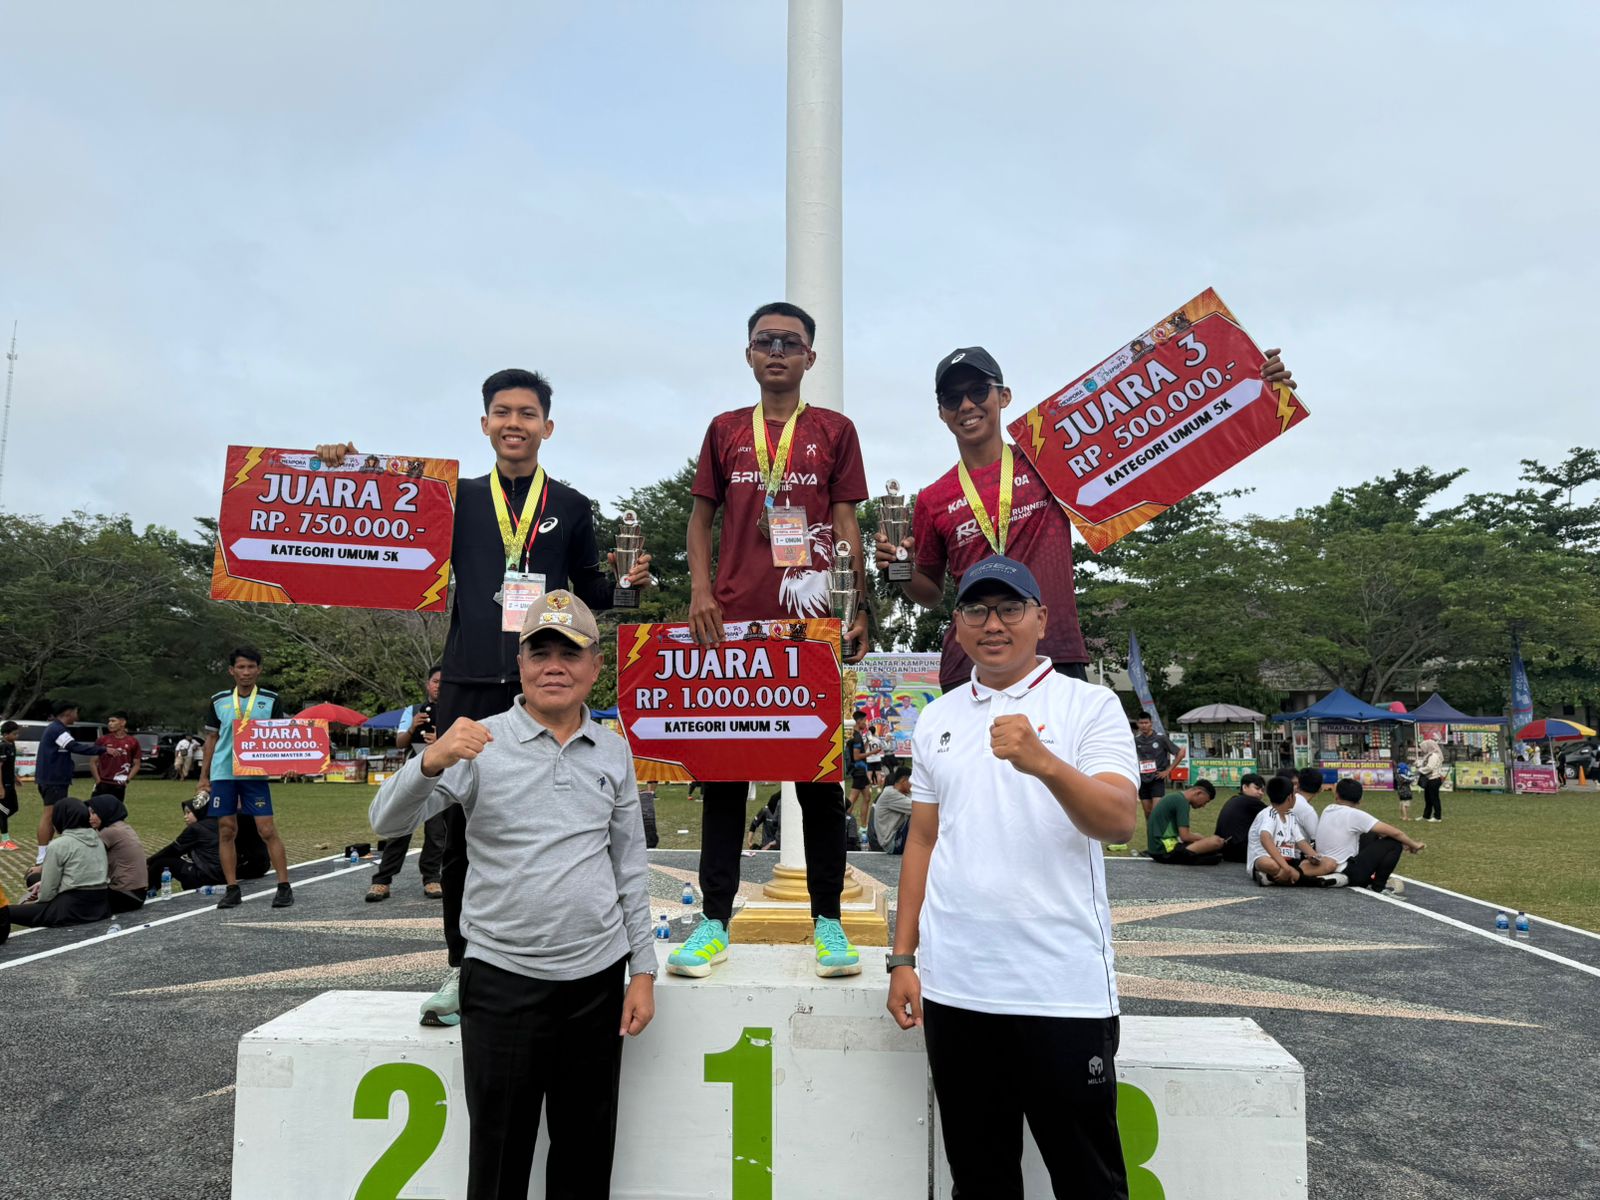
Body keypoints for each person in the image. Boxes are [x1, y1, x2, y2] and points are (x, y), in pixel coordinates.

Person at [318, 366, 654, 1028]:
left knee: (559, 822)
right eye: (502, 412)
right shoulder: (456, 498)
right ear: (484, 424)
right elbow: (382, 517)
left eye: (528, 414)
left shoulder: (573, 505)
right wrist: (345, 468)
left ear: (547, 427)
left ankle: (580, 955)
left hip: (541, 679)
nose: (514, 424)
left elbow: (595, 591)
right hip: (469, 680)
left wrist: (629, 585)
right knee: (459, 831)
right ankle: (460, 968)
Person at [369, 591, 655, 1200]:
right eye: (540, 651)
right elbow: (385, 823)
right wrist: (429, 761)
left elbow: (628, 863)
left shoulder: (613, 749)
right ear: (520, 663)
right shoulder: (478, 741)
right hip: (502, 978)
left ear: (596, 666)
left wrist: (643, 970)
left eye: (570, 653)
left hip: (595, 980)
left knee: (584, 1156)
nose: (556, 666)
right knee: (499, 1159)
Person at [887, 554, 1139, 1200]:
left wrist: (1043, 762)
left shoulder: (1090, 705)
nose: (992, 624)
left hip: (1060, 989)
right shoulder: (939, 716)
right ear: (956, 624)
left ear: (1041, 618)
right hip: (958, 990)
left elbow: (1117, 821)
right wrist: (903, 957)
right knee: (980, 1180)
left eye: (1009, 608)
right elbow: (922, 838)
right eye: (975, 608)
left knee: (1089, 1181)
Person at [677, 301, 868, 981]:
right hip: (732, 625)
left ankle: (829, 924)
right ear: (749, 353)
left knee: (820, 783)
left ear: (810, 357)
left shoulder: (835, 430)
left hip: (810, 625)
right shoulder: (726, 430)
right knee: (724, 777)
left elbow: (845, 520)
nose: (777, 351)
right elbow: (701, 522)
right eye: (765, 342)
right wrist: (702, 591)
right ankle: (712, 922)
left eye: (791, 342)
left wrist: (856, 602)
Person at [874, 346, 1091, 695]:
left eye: (978, 391)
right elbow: (929, 594)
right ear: (942, 412)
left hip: (1052, 651)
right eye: (952, 397)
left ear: (1003, 396)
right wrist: (897, 569)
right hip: (970, 664)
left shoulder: (1045, 460)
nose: (966, 405)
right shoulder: (933, 498)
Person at [197, 646, 293, 910]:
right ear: (232, 671)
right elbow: (211, 739)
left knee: (266, 829)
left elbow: (281, 736)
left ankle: (284, 886)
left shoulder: (271, 699)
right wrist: (203, 777)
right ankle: (232, 888)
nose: (246, 672)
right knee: (226, 830)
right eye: (241, 667)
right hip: (224, 774)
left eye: (251, 667)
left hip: (255, 774)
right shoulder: (218, 700)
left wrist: (287, 765)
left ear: (259, 670)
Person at [367, 664, 448, 902]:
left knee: (436, 832)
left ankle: (432, 877)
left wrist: (440, 741)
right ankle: (382, 880)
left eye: (444, 682)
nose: (439, 687)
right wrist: (413, 725)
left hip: (440, 776)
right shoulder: (412, 710)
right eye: (436, 682)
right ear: (427, 684)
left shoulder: (455, 709)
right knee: (400, 829)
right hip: (414, 773)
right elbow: (401, 743)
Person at [1, 799, 109, 940]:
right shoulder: (98, 839)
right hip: (101, 905)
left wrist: (32, 902)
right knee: (35, 879)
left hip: (71, 908)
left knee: (5, 912)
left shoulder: (58, 845)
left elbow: (48, 892)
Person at [1316, 778, 1425, 892]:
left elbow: (1381, 832)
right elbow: (1396, 832)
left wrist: (1403, 842)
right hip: (1348, 871)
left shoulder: (1328, 809)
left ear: (1336, 795)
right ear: (1360, 799)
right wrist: (1414, 844)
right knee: (1394, 844)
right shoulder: (1355, 815)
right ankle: (1379, 886)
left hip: (1324, 865)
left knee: (1371, 833)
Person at [145, 796, 271, 893]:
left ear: (199, 812)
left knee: (162, 863)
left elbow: (173, 849)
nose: (185, 817)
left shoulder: (196, 829)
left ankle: (146, 891)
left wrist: (148, 861)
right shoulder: (221, 822)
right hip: (229, 873)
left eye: (189, 812)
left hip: (208, 876)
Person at [33, 700, 105, 859]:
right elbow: (75, 747)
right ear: (68, 713)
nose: (77, 715)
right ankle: (42, 856)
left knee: (53, 815)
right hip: (53, 780)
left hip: (54, 780)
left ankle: (47, 852)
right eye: (76, 712)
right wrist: (103, 750)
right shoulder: (57, 729)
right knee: (49, 815)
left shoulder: (58, 728)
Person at [1246, 777, 1338, 886]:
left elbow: (1301, 841)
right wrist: (1285, 867)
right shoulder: (1269, 814)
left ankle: (1271, 878)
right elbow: (1265, 838)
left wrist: (1314, 856)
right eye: (1294, 794)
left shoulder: (1290, 815)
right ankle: (1312, 882)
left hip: (1290, 861)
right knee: (1268, 864)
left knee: (1330, 863)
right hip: (1270, 860)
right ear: (1290, 797)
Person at [88, 793, 147, 913]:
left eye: (94, 813)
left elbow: (85, 857)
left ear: (106, 812)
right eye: (89, 813)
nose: (90, 817)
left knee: (77, 900)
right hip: (138, 894)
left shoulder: (109, 832)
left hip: (124, 895)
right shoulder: (124, 827)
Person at [1143, 779, 1224, 864]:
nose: (1203, 805)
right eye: (1206, 802)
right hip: (1165, 851)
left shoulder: (1176, 797)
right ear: (1199, 793)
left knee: (1210, 851)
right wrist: (1204, 839)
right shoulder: (1182, 802)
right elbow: (1185, 836)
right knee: (1216, 842)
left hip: (1158, 850)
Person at [1133, 712, 1185, 818]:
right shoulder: (1135, 740)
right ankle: (1150, 834)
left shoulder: (1160, 738)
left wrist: (1168, 771)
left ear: (1151, 723)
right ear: (1138, 724)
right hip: (1143, 780)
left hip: (1157, 779)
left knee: (1156, 812)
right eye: (1141, 723)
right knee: (1147, 813)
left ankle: (1157, 834)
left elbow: (1180, 753)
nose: (1144, 725)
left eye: (1146, 722)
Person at [1212, 773, 1268, 863]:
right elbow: (1275, 815)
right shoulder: (1251, 801)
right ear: (1245, 787)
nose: (1260, 793)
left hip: (1224, 850)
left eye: (1262, 790)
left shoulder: (1234, 799)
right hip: (1239, 851)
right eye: (1257, 789)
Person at [91, 712, 142, 802]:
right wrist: (98, 780)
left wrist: (127, 780)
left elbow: (137, 764)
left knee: (115, 812)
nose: (110, 724)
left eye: (113, 721)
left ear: (122, 722)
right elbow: (93, 762)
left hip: (119, 784)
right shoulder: (102, 740)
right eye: (109, 721)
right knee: (95, 811)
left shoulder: (133, 741)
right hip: (102, 783)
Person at [871, 765, 913, 854]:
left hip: (897, 837)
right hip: (892, 843)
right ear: (904, 781)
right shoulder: (890, 794)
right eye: (912, 782)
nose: (913, 785)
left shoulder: (902, 793)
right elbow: (918, 808)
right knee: (919, 814)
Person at [846, 711, 872, 826]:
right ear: (859, 721)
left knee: (867, 797)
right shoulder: (856, 737)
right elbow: (856, 757)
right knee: (853, 798)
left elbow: (858, 751)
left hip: (860, 770)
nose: (865, 723)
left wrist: (867, 744)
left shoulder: (856, 735)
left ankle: (863, 825)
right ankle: (845, 822)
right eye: (864, 721)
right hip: (858, 770)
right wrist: (872, 752)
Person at [1417, 738, 1447, 822]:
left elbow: (1430, 767)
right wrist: (1419, 764)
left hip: (1434, 779)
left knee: (1434, 799)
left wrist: (1420, 770)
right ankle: (1426, 816)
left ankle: (1437, 817)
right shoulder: (1429, 755)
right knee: (1428, 799)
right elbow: (1426, 764)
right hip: (1429, 779)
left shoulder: (1433, 756)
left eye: (1423, 747)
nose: (1422, 750)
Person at [1292, 767, 1324, 843]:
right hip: (1297, 852)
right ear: (1320, 789)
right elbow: (1316, 839)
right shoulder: (1308, 811)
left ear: (1298, 784)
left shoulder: (1286, 800)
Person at [1, 719, 19, 849]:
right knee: (3, 812)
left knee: (14, 808)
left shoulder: (12, 745)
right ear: (6, 734)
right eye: (14, 734)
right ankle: (5, 841)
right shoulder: (2, 746)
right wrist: (0, 787)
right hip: (3, 785)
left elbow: (9, 766)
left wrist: (15, 777)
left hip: (10, 783)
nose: (16, 736)